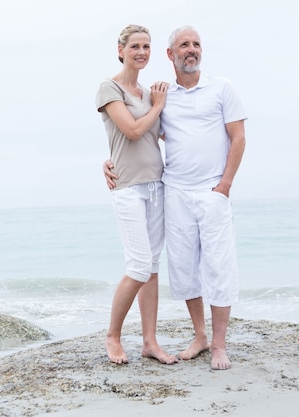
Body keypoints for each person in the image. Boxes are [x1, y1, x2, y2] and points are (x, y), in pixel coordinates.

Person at [104, 26, 247, 370]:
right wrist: (109, 161)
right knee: (183, 270)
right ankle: (200, 336)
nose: (192, 50)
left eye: (197, 44)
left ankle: (219, 345)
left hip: (212, 192)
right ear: (171, 54)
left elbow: (238, 137)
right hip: (174, 193)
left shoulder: (222, 88)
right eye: (184, 45)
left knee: (218, 267)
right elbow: (139, 133)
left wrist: (225, 185)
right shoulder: (161, 97)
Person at [95, 24, 177, 365]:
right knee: (139, 265)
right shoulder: (109, 88)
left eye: (146, 46)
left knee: (153, 267)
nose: (141, 52)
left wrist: (156, 103)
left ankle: (150, 342)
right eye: (135, 46)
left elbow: (157, 138)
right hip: (127, 188)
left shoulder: (146, 92)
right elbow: (130, 131)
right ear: (121, 49)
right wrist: (158, 106)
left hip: (156, 186)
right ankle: (112, 336)